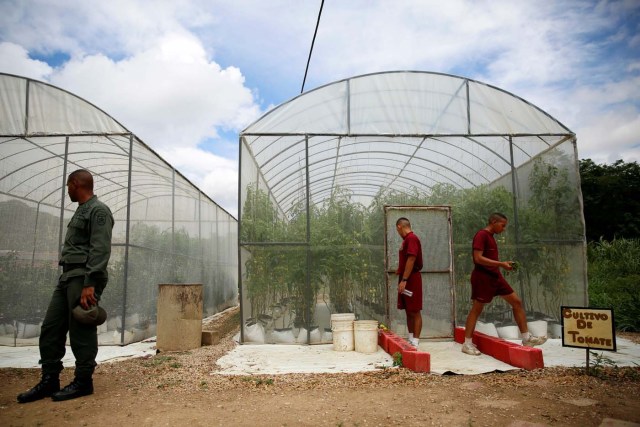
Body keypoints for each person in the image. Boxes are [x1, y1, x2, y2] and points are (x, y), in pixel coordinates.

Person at [17, 169, 114, 402]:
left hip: (83, 278)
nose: (67, 190)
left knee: (81, 328)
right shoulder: (82, 210)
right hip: (68, 277)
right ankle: (50, 380)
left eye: (68, 186)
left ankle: (83, 381)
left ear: (75, 184)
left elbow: (100, 249)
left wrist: (90, 284)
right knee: (51, 328)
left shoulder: (98, 210)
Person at [461, 212, 546, 356]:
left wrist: (502, 265)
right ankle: (467, 344)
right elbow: (478, 258)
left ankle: (526, 338)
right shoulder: (481, 235)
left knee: (516, 302)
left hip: (495, 276)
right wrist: (501, 263)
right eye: (503, 225)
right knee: (477, 309)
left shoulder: (491, 237)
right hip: (483, 277)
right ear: (493, 221)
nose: (504, 228)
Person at [395, 217, 423, 348]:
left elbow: (411, 259)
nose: (398, 233)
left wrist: (404, 280)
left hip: (411, 279)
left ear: (399, 226)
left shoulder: (412, 238)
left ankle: (416, 341)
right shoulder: (406, 240)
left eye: (397, 230)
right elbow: (406, 260)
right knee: (408, 309)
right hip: (406, 278)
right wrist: (400, 271)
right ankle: (410, 337)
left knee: (415, 310)